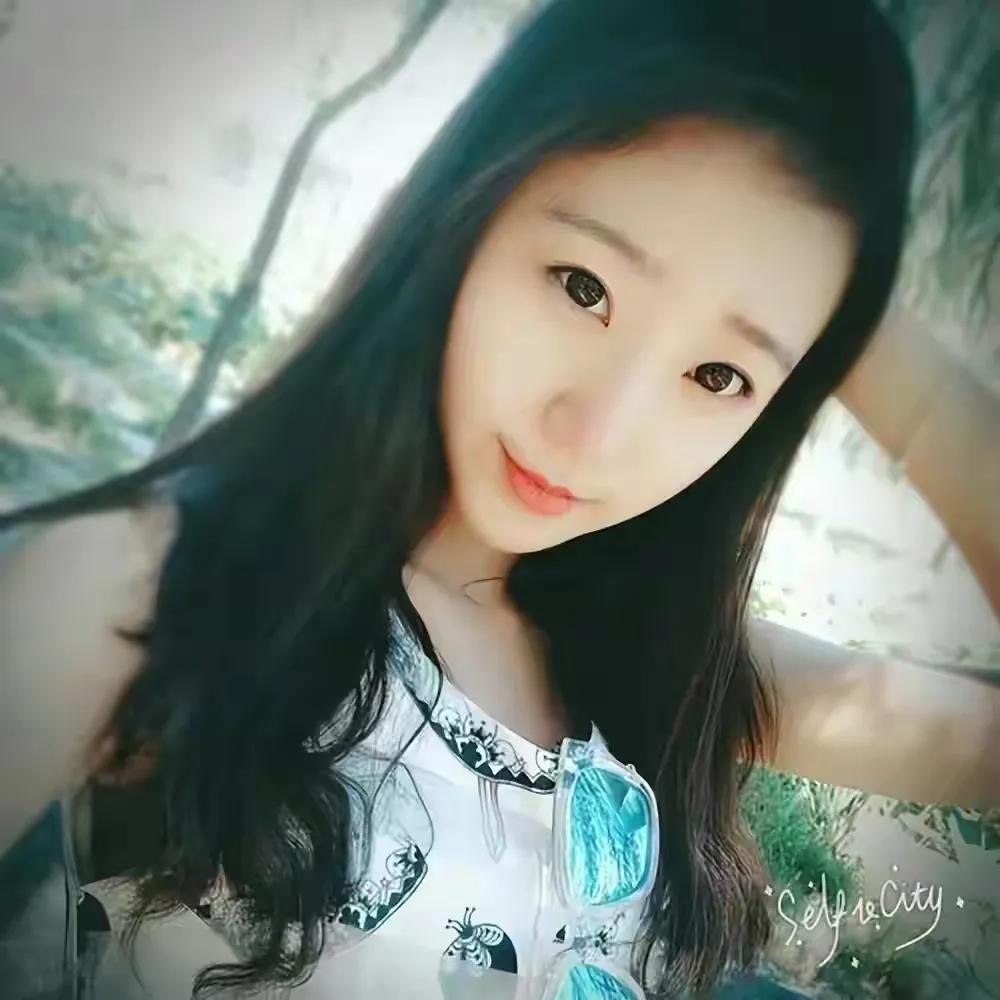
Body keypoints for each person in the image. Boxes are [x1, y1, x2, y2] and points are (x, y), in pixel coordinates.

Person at [0, 0, 997, 997]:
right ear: (465, 210)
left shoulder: (671, 674)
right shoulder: (155, 584)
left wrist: (866, 330)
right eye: (582, 285)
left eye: (717, 375)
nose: (596, 433)